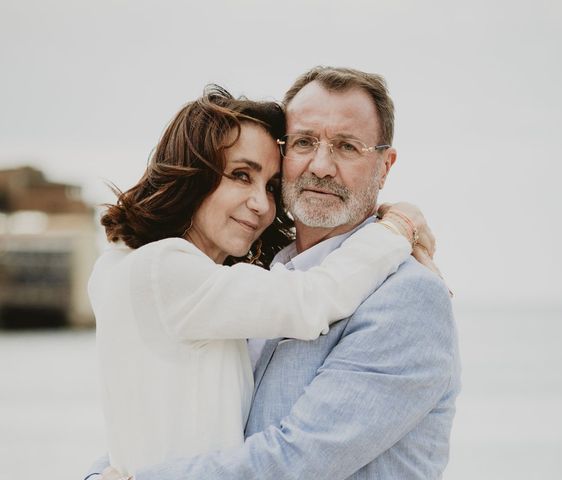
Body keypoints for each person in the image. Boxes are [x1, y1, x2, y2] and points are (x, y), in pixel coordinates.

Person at [86, 85, 435, 478]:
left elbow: (147, 428)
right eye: (240, 175)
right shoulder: (163, 270)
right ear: (192, 173)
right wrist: (398, 226)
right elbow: (311, 300)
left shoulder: (185, 283)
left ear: (385, 165)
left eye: (270, 186)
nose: (263, 204)